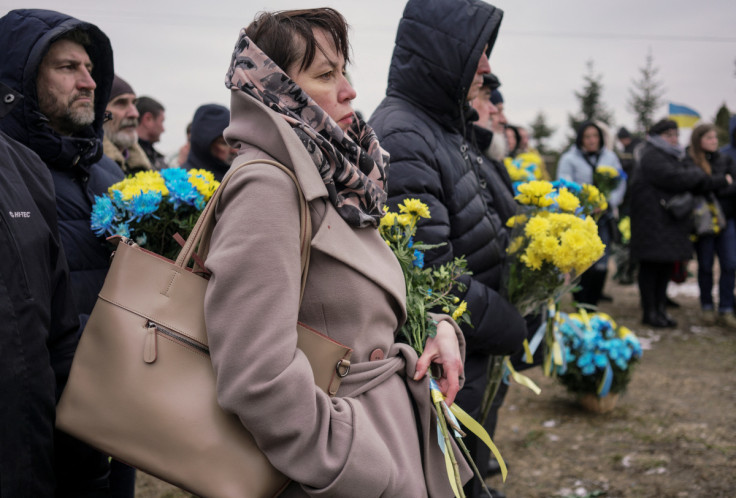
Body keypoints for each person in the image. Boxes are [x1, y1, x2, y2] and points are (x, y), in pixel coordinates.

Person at [207, 7, 470, 496]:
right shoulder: (269, 185)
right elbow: (254, 374)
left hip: (385, 439)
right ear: (276, 88)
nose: (349, 89)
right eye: (326, 74)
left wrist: (436, 330)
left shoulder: (341, 180)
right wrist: (358, 465)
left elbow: (360, 312)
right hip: (339, 471)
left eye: (344, 69)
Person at [369, 1, 528, 496]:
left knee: (472, 471)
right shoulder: (404, 133)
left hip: (473, 347)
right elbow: (429, 274)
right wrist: (511, 323)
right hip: (451, 354)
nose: (487, 66)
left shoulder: (442, 127)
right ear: (444, 53)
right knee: (449, 478)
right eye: (478, 52)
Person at [0, 9, 127, 496]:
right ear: (24, 77)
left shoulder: (108, 177)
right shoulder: (15, 178)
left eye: (91, 69)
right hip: (43, 416)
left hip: (118, 404)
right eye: (67, 67)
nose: (89, 82)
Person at [0, 80, 83, 497]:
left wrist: (86, 474)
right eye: (68, 67)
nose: (84, 80)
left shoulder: (23, 167)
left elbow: (61, 338)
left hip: (33, 463)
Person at [629, 119, 731, 328]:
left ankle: (660, 309)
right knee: (651, 268)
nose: (674, 139)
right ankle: (650, 311)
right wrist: (697, 175)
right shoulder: (652, 155)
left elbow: (689, 175)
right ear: (658, 137)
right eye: (669, 135)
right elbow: (677, 177)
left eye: (676, 135)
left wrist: (695, 175)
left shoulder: (674, 155)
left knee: (665, 266)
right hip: (651, 222)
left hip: (668, 222)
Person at [557, 121, 626, 306]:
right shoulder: (569, 159)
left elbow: (620, 183)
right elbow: (564, 184)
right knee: (582, 265)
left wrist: (607, 202)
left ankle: (592, 304)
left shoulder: (610, 158)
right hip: (580, 218)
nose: (592, 140)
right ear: (580, 138)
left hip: (603, 218)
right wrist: (585, 203)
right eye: (587, 136)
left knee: (601, 264)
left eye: (595, 136)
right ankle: (580, 303)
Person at [685, 123, 736, 327]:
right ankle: (706, 305)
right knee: (705, 265)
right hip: (703, 221)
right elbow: (694, 186)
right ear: (699, 141)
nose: (714, 141)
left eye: (715, 137)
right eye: (709, 138)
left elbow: (732, 188)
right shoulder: (691, 161)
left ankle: (726, 308)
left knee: (730, 264)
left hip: (728, 219)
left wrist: (713, 185)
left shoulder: (726, 159)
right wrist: (722, 182)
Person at [103, 75, 152, 174]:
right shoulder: (89, 168)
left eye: (134, 103)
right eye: (121, 103)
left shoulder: (143, 169)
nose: (134, 114)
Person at [181, 103, 236, 180]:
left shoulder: (235, 178)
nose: (234, 150)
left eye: (236, 143)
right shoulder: (182, 185)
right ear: (203, 145)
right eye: (224, 143)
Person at [135, 95, 168, 170]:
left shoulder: (156, 157)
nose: (163, 129)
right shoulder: (130, 158)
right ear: (148, 119)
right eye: (161, 121)